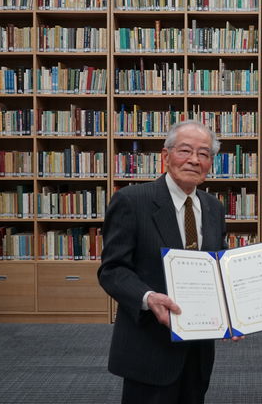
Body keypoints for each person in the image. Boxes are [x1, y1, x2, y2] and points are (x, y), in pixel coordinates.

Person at [98, 120, 227, 404]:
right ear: (165, 156)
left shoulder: (213, 208)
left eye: (204, 154)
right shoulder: (132, 201)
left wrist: (235, 313)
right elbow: (112, 269)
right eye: (185, 150)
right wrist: (148, 298)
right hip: (149, 345)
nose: (194, 160)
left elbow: (220, 269)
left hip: (199, 346)